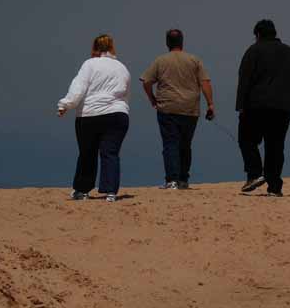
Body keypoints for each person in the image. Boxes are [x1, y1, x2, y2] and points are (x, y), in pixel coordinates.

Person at [236, 19, 290, 197]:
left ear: (258, 35)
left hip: (256, 106)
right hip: (283, 108)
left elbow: (244, 78)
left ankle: (254, 174)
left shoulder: (253, 51)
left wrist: (241, 106)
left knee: (246, 139)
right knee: (275, 145)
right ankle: (274, 187)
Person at [57, 34, 131, 202]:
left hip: (90, 115)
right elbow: (125, 94)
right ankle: (110, 191)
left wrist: (65, 105)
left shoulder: (89, 64)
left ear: (94, 48)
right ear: (112, 48)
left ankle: (82, 190)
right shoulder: (122, 67)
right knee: (110, 153)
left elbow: (78, 88)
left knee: (87, 153)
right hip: (117, 114)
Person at [141, 29, 215, 190]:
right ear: (182, 42)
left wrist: (152, 98)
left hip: (167, 107)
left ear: (167, 43)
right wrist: (210, 104)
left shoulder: (160, 60)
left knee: (170, 144)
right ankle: (183, 179)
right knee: (185, 144)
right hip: (190, 109)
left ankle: (172, 180)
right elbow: (205, 82)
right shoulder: (194, 60)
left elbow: (146, 81)